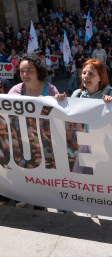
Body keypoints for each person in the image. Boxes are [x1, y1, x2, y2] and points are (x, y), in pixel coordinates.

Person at [0, 54, 66, 209]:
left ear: (38, 71)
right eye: (22, 71)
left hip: (43, 142)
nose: (25, 74)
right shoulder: (15, 90)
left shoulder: (50, 89)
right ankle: (20, 196)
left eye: (29, 70)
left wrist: (61, 101)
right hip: (21, 141)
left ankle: (41, 202)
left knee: (42, 175)